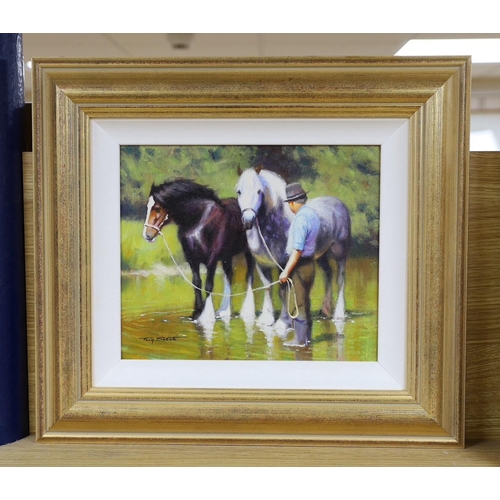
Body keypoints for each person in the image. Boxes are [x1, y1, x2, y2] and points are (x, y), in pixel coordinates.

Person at [279, 182, 320, 347]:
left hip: (300, 266)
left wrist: (286, 272)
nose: (290, 206)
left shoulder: (301, 218)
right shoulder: (313, 215)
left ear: (293, 202)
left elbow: (297, 249)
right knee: (305, 301)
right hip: (310, 264)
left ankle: (300, 340)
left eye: (290, 203)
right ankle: (307, 338)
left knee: (298, 303)